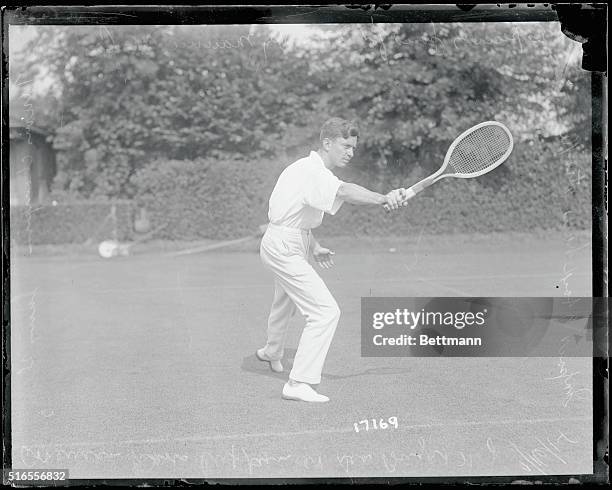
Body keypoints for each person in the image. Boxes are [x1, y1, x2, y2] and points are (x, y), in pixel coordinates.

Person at [257, 117, 409, 402]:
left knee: (284, 300)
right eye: (346, 145)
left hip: (289, 241)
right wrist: (384, 198)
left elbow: (295, 215)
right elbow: (344, 191)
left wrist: (313, 245)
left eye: (354, 147)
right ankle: (298, 383)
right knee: (326, 312)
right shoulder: (313, 171)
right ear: (327, 143)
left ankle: (271, 351)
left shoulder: (303, 168)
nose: (351, 152)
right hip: (283, 246)